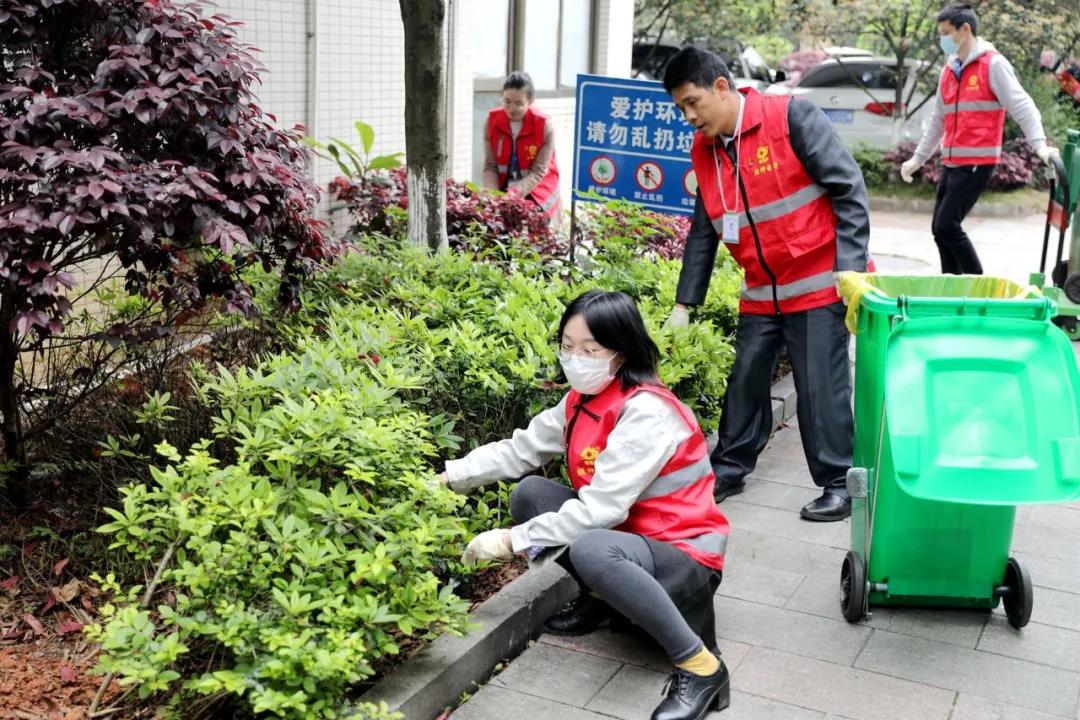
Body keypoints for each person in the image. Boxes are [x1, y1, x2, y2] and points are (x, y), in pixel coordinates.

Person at [439, 290, 731, 720]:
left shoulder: (647, 412)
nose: (575, 359)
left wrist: (511, 539)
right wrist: (448, 478)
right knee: (531, 495)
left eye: (590, 350)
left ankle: (701, 667)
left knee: (591, 545)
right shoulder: (583, 398)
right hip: (629, 542)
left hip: (683, 555)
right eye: (568, 346)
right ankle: (604, 598)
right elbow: (521, 450)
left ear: (621, 351)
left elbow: (601, 511)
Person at [662, 47, 871, 522]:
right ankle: (728, 469)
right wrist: (684, 303)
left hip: (819, 280)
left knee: (819, 388)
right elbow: (704, 229)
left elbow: (849, 189)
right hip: (762, 288)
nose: (689, 116)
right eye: (681, 108)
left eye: (693, 102)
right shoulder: (705, 151)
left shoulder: (791, 118)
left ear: (721, 87)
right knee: (745, 382)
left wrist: (849, 268)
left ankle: (838, 484)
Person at [900, 3, 1061, 275]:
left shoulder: (992, 64)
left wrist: (1040, 146)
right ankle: (952, 287)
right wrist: (918, 158)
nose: (942, 39)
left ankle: (976, 284)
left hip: (977, 162)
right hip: (952, 163)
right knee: (939, 231)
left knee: (946, 226)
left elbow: (1022, 106)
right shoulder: (949, 70)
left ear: (965, 29)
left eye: (946, 33)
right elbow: (938, 120)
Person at [482, 71, 562, 224]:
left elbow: (538, 172)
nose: (511, 109)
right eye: (506, 101)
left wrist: (513, 196)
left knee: (532, 233)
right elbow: (490, 167)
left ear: (530, 101)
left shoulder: (544, 126)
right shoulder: (491, 122)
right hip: (505, 190)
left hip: (539, 193)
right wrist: (493, 198)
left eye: (519, 104)